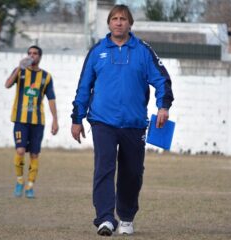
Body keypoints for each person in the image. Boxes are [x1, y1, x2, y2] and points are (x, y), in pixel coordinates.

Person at [71, 4, 174, 236]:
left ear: (130, 24)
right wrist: (77, 118)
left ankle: (126, 217)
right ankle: (106, 218)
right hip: (102, 122)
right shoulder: (97, 51)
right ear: (109, 23)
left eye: (123, 19)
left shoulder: (143, 50)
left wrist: (163, 105)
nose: (118, 22)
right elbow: (83, 87)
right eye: (114, 19)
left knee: (133, 172)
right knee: (104, 169)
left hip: (134, 124)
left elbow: (162, 80)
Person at [5, 45, 59, 199]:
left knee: (34, 154)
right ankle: (19, 181)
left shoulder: (46, 77)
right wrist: (18, 68)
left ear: (40, 57)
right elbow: (7, 85)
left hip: (37, 121)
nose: (31, 56)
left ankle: (30, 186)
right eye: (29, 53)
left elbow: (51, 99)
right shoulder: (20, 71)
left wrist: (55, 120)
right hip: (20, 119)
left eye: (35, 53)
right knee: (20, 151)